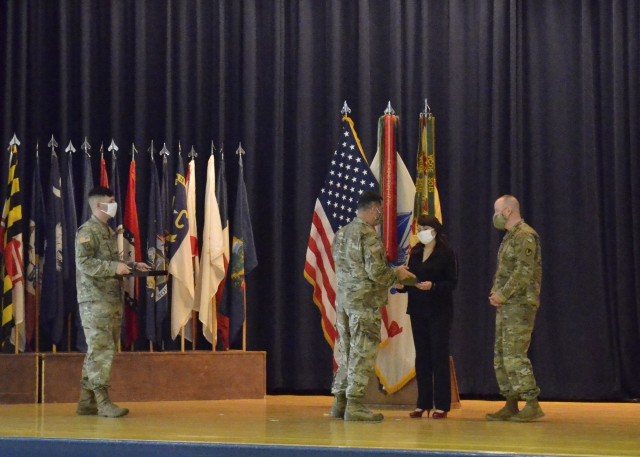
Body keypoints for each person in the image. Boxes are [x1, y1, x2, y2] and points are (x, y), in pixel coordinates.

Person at [329, 191, 415, 422]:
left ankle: (339, 403)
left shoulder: (341, 234)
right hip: (364, 305)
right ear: (376, 209)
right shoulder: (368, 236)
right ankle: (355, 405)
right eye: (381, 211)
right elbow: (376, 272)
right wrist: (396, 273)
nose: (381, 216)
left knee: (346, 353)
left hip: (345, 303)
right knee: (362, 353)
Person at [75, 186, 150, 418]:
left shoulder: (106, 231)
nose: (114, 204)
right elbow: (84, 263)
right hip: (94, 301)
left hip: (110, 300)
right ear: (98, 205)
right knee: (101, 350)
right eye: (110, 201)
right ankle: (103, 402)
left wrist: (133, 266)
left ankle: (86, 403)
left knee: (98, 350)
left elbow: (110, 262)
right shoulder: (87, 231)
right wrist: (113, 267)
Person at [487, 194, 544, 422]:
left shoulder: (525, 236)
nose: (495, 216)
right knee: (501, 355)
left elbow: (523, 272)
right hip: (506, 305)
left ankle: (532, 403)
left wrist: (503, 293)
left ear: (508, 211)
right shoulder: (510, 237)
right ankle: (511, 402)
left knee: (515, 355)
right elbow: (504, 271)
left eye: (497, 210)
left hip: (520, 305)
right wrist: (495, 292)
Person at [397, 214, 457, 420]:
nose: (420, 231)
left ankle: (441, 405)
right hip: (418, 310)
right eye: (418, 227)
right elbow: (413, 278)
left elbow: (452, 283)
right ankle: (422, 403)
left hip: (439, 310)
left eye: (423, 227)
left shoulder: (446, 252)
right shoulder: (416, 251)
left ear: (434, 230)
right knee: (421, 357)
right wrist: (403, 284)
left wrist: (434, 286)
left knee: (438, 357)